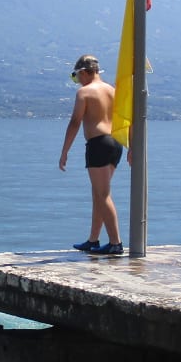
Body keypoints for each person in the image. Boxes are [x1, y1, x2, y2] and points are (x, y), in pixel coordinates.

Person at [58, 54, 124, 255]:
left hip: (98, 144)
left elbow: (75, 122)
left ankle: (115, 243)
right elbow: (125, 118)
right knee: (98, 194)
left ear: (84, 72)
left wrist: (65, 151)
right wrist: (130, 148)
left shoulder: (84, 92)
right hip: (115, 143)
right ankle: (93, 240)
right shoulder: (112, 90)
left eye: (75, 76)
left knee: (103, 195)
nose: (77, 81)